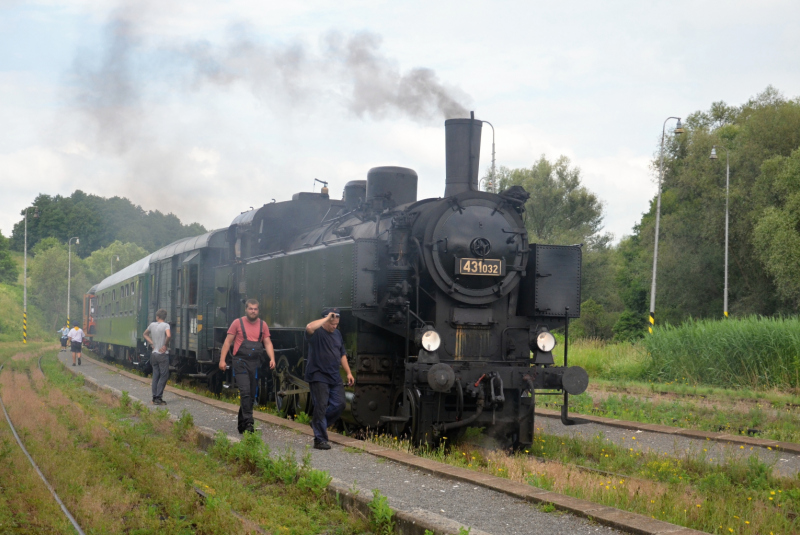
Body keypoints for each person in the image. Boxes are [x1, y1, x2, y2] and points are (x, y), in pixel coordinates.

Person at [219, 299, 276, 434]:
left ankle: (241, 424)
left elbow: (267, 343)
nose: (253, 311)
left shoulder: (263, 325)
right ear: (246, 309)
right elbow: (227, 342)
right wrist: (222, 360)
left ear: (258, 310)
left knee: (250, 394)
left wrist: (272, 358)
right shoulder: (237, 323)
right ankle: (249, 423)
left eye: (255, 309)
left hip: (254, 363)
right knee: (244, 392)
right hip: (240, 362)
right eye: (250, 308)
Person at [305, 307, 354, 450]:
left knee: (340, 404)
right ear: (325, 321)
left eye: (336, 324)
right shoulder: (316, 333)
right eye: (332, 324)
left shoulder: (337, 334)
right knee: (320, 406)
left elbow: (342, 354)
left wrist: (349, 373)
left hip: (334, 375)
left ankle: (317, 423)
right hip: (318, 374)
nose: (334, 327)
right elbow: (309, 327)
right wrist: (327, 318)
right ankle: (320, 440)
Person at [143, 309, 171, 406]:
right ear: (164, 317)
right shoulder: (166, 325)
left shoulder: (152, 325)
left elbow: (145, 334)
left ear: (157, 317)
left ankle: (154, 397)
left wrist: (152, 343)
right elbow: (169, 335)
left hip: (154, 354)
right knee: (164, 375)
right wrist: (165, 345)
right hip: (162, 354)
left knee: (156, 375)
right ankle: (158, 398)